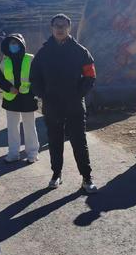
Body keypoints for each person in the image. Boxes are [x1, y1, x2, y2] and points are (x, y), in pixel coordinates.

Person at [30, 13, 98, 193]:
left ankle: (86, 177)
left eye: (63, 26)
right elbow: (34, 78)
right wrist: (43, 95)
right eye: (56, 25)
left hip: (74, 105)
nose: (60, 29)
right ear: (51, 28)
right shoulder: (43, 53)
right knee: (55, 141)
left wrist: (78, 94)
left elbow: (90, 76)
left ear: (69, 28)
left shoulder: (80, 51)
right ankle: (56, 174)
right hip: (52, 105)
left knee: (79, 142)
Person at [0, 33, 39, 163]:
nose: (13, 46)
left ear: (22, 44)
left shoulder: (31, 59)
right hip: (11, 98)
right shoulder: (4, 61)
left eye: (16, 43)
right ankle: (13, 153)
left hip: (28, 97)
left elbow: (37, 76)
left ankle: (32, 153)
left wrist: (33, 91)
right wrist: (9, 88)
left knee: (29, 125)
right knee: (12, 127)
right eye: (11, 43)